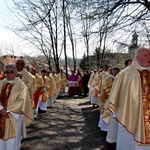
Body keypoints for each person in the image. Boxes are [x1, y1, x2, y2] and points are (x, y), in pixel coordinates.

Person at [107, 47, 150, 150]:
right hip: (131, 115)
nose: (149, 58)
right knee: (129, 142)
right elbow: (117, 95)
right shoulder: (125, 74)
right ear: (137, 57)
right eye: (145, 56)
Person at [0, 64, 33, 150]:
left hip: (13, 116)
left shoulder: (21, 85)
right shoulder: (1, 83)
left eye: (11, 72)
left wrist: (7, 111)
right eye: (7, 72)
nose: (9, 74)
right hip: (0, 114)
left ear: (15, 73)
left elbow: (22, 101)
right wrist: (1, 109)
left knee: (12, 142)